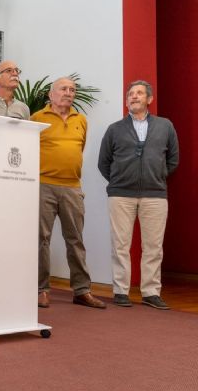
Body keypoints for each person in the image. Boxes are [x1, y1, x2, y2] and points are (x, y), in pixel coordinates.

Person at [98, 80, 179, 310]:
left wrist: (158, 176)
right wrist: (118, 180)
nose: (134, 97)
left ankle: (151, 292)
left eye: (139, 93)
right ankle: (120, 291)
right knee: (120, 244)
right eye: (130, 94)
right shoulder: (114, 129)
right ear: (126, 101)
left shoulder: (165, 126)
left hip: (155, 195)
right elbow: (104, 162)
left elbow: (173, 159)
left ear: (149, 99)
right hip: (121, 195)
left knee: (154, 246)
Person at [31, 77, 106, 309]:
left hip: (72, 188)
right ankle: (41, 290)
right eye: (63, 89)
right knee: (40, 240)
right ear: (51, 95)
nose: (69, 93)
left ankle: (82, 291)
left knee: (75, 240)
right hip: (43, 186)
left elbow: (78, 150)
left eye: (72, 90)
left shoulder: (81, 120)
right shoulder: (36, 119)